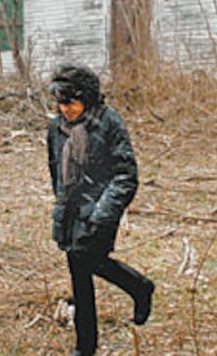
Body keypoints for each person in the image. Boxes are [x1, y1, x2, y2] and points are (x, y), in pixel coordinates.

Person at [46, 62, 155, 356]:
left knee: (87, 261)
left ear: (88, 97)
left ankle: (139, 288)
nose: (65, 109)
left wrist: (101, 213)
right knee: (81, 272)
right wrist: (62, 207)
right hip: (71, 209)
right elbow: (56, 170)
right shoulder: (56, 128)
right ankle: (88, 344)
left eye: (72, 102)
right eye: (61, 103)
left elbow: (126, 175)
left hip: (100, 207)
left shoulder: (109, 122)